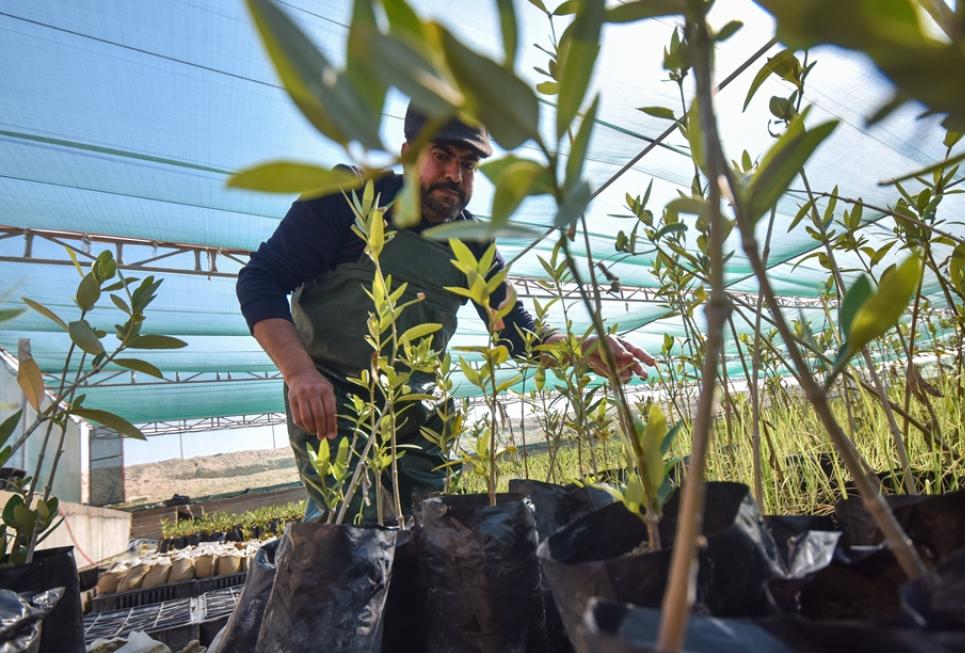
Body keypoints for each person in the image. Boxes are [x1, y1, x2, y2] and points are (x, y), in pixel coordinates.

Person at [237, 102, 654, 521]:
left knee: (431, 531)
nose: (455, 175)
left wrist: (580, 347)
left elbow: (518, 334)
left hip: (420, 416)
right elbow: (261, 280)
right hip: (337, 404)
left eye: (468, 164)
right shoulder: (351, 199)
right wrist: (299, 373)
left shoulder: (472, 243)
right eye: (440, 157)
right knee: (354, 529)